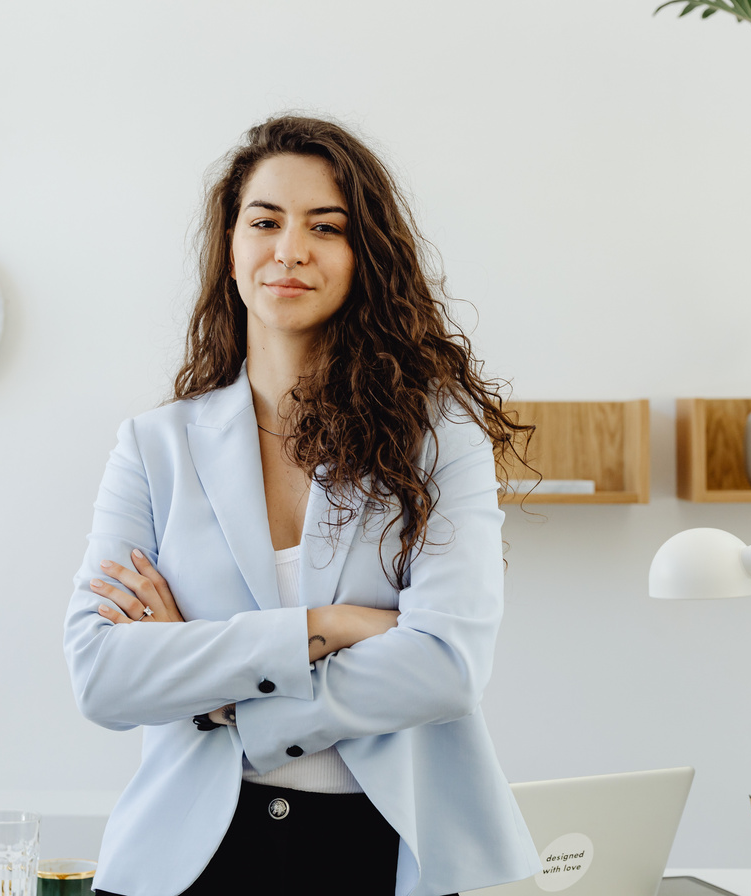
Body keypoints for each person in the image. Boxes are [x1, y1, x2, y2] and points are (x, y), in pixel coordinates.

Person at [63, 115, 540, 896]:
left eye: (326, 226)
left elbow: (446, 668)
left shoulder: (435, 434)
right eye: (265, 222)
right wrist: (330, 628)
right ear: (230, 249)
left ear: (364, 258)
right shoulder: (155, 448)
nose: (290, 249)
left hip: (382, 848)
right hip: (189, 857)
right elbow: (104, 677)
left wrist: (225, 700)